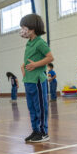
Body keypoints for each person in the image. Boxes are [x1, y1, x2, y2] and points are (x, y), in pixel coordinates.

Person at [20, 13, 54, 143]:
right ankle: (35, 130)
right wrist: (24, 67)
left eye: (24, 27)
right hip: (28, 81)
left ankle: (43, 132)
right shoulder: (29, 43)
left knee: (40, 107)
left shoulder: (40, 42)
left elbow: (50, 57)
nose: (22, 30)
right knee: (32, 107)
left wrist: (35, 65)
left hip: (38, 80)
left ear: (32, 28)